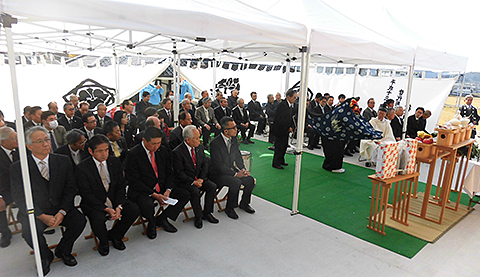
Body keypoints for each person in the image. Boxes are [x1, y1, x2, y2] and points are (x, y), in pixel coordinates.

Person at [11, 126, 86, 275]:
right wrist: (40, 215)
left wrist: (62, 211)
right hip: (36, 211)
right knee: (28, 231)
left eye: (46, 140)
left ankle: (63, 250)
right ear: (29, 146)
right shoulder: (19, 168)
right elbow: (19, 197)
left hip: (60, 208)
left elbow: (70, 189)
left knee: (79, 221)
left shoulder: (62, 160)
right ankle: (45, 255)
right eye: (40, 141)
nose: (46, 144)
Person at [76, 134, 140, 256]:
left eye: (106, 150)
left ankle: (116, 236)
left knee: (133, 209)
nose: (104, 154)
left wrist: (119, 205)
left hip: (114, 198)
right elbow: (86, 193)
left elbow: (121, 185)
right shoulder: (82, 168)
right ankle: (103, 242)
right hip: (94, 202)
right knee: (98, 217)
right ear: (90, 151)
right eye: (100, 151)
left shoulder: (114, 161)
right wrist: (106, 208)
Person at [126, 127, 189, 239]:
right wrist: (154, 194)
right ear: (144, 140)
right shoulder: (133, 154)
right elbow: (134, 180)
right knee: (148, 205)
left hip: (162, 186)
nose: (156, 146)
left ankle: (162, 218)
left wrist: (168, 190)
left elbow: (169, 172)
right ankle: (151, 223)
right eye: (153, 144)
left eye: (159, 143)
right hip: (143, 189)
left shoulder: (163, 150)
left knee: (184, 194)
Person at [171, 126, 219, 229]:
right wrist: (193, 182)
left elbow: (205, 164)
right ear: (188, 140)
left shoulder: (199, 147)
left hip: (198, 178)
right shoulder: (177, 152)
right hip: (185, 181)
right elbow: (179, 173)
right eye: (197, 138)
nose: (200, 140)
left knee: (212, 186)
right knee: (195, 191)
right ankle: (198, 216)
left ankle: (207, 212)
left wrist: (201, 178)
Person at [209, 117, 256, 219]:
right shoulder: (215, 143)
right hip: (217, 173)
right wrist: (235, 174)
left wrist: (242, 169)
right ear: (226, 131)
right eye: (234, 128)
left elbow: (237, 156)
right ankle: (229, 208)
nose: (236, 129)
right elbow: (218, 165)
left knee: (250, 180)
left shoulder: (233, 139)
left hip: (229, 169)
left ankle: (244, 203)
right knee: (235, 182)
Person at [0, 127, 18, 248]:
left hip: (20, 186)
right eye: (13, 138)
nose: (17, 140)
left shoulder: (20, 149)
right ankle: (5, 233)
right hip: (4, 190)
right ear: (3, 142)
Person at [271, 89, 297, 169]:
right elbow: (281, 119)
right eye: (294, 97)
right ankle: (276, 163)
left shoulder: (289, 105)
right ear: (288, 97)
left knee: (284, 145)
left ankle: (281, 160)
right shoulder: (282, 105)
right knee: (279, 146)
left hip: (285, 129)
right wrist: (288, 127)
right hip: (280, 129)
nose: (295, 99)